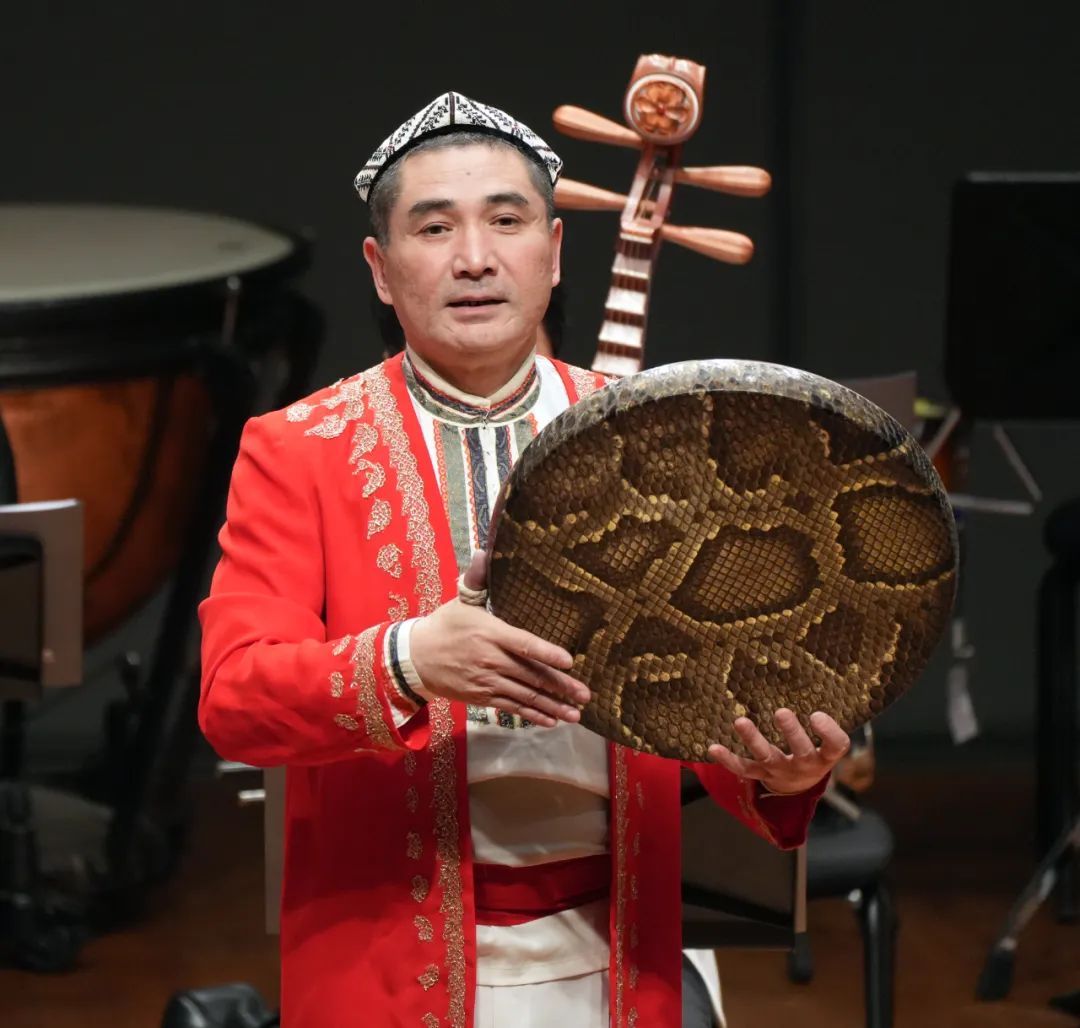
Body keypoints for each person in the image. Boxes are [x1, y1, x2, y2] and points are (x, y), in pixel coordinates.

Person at [198, 92, 849, 1028]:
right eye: (435, 228)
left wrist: (777, 774)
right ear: (380, 269)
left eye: (506, 221)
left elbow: (711, 704)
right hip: (387, 968)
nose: (474, 257)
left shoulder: (661, 436)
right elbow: (233, 699)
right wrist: (410, 660)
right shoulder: (298, 449)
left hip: (616, 957)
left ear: (554, 250)